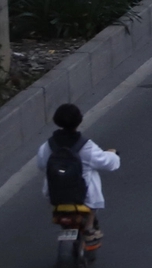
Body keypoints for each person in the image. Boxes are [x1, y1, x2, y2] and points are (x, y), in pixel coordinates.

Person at [41, 103, 119, 256]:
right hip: (83, 196)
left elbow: (41, 164)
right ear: (79, 121)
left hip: (55, 193)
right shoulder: (86, 146)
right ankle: (89, 227)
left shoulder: (47, 146)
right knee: (92, 187)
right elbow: (107, 162)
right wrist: (113, 154)